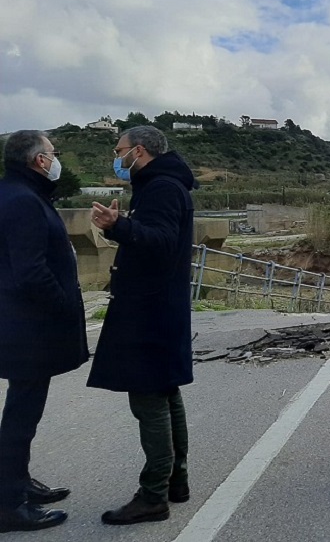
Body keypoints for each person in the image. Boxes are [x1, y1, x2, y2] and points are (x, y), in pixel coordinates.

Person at [87, 126, 196, 524]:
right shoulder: (161, 184)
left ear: (139, 151)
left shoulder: (162, 188)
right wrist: (123, 226)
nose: (116, 159)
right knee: (166, 392)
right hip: (160, 307)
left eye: (119, 151)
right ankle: (175, 482)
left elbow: (161, 241)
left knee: (149, 400)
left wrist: (118, 227)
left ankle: (153, 494)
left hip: (149, 310)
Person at [0, 131, 89, 532]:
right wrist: (65, 306)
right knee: (21, 416)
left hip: (22, 325)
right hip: (28, 329)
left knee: (23, 413)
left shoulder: (20, 194)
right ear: (38, 161)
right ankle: (8, 502)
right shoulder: (22, 201)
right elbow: (31, 271)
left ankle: (18, 483)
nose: (56, 159)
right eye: (52, 153)